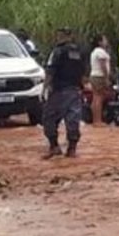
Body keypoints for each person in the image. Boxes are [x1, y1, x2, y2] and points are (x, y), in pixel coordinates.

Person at [42, 27, 86, 159]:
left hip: (59, 91)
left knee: (49, 117)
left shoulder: (57, 51)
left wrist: (45, 87)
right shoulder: (78, 52)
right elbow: (84, 71)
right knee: (73, 118)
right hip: (75, 90)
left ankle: (54, 147)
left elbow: (50, 70)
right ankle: (72, 149)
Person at [88, 34, 112, 127]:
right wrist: (106, 78)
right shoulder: (100, 52)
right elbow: (103, 66)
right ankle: (98, 120)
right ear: (100, 42)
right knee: (99, 98)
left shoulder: (95, 52)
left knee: (95, 98)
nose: (106, 41)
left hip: (94, 75)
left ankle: (95, 120)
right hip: (99, 76)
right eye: (104, 40)